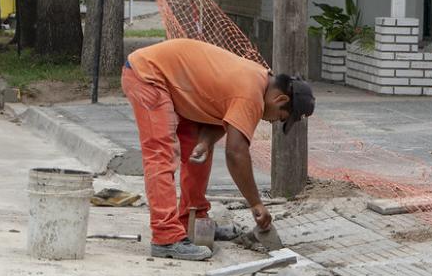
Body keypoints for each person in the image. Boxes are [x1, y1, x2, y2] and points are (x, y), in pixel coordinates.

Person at [123, 38, 315, 261]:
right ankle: (165, 237)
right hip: (149, 76)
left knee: (200, 152)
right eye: (281, 117)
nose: (274, 122)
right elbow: (236, 153)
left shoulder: (259, 80)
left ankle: (193, 224)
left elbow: (219, 115)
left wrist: (204, 142)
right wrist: (256, 203)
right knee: (161, 155)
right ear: (280, 98)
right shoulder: (251, 94)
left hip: (175, 82)